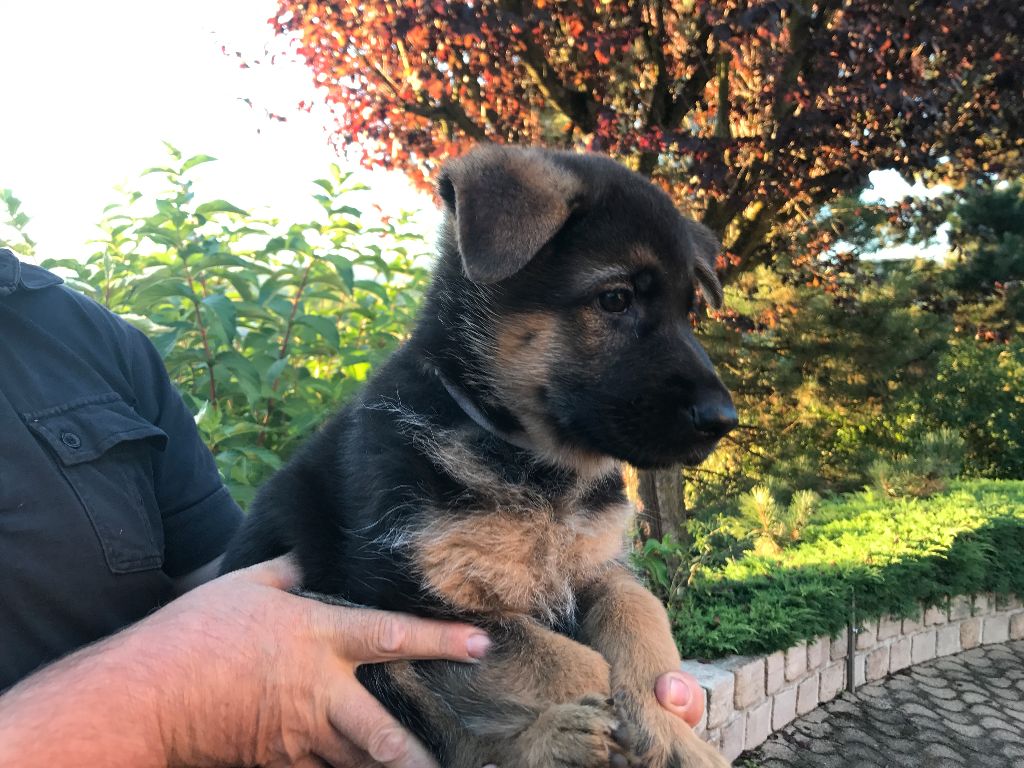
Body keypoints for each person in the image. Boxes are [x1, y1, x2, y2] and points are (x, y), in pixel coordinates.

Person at [0, 248, 706, 766]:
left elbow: (237, 581)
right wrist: (161, 697)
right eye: (615, 304)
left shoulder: (84, 336)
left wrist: (628, 665)